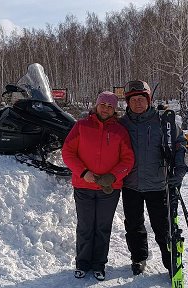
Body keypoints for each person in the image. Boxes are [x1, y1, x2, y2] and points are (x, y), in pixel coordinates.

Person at [62, 91, 134, 281]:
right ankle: (82, 263)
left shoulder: (120, 131)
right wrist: (84, 173)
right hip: (83, 187)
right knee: (85, 227)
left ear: (114, 110)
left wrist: (112, 176)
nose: (106, 109)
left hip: (108, 190)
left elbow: (128, 160)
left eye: (110, 106)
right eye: (103, 104)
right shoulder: (81, 126)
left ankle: (98, 264)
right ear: (96, 105)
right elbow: (68, 152)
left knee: (103, 227)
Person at [119, 80, 188, 277]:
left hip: (158, 184)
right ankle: (138, 257)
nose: (138, 103)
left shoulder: (164, 121)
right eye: (133, 100)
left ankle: (170, 262)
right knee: (134, 226)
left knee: (162, 227)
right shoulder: (122, 124)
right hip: (130, 184)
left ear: (149, 100)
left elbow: (179, 144)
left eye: (142, 99)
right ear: (127, 102)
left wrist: (180, 171)